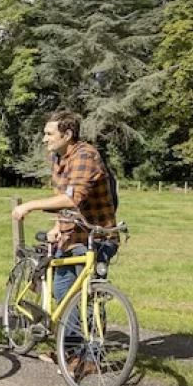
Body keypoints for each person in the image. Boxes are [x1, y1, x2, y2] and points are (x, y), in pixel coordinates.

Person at [11, 111, 119, 370]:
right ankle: (69, 351)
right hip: (71, 235)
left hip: (96, 236)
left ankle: (92, 358)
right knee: (63, 291)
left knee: (89, 297)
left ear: (67, 134)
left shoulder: (86, 155)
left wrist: (31, 205)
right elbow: (63, 196)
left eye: (49, 133)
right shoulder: (58, 157)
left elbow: (74, 198)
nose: (44, 138)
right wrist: (59, 226)